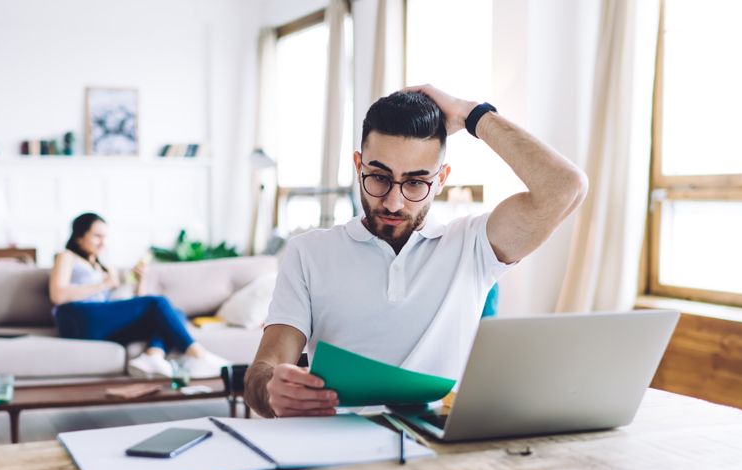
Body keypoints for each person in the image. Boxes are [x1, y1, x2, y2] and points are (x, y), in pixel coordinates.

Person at [244, 86, 588, 418]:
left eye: (415, 183)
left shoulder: (474, 245)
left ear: (441, 179)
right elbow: (263, 371)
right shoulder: (309, 252)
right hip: (341, 448)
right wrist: (272, 390)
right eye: (378, 177)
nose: (393, 202)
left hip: (442, 447)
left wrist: (472, 114)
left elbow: (565, 186)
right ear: (358, 165)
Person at [50, 212, 229, 378]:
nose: (102, 243)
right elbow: (57, 295)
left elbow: (120, 304)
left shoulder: (105, 267)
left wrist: (139, 281)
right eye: (97, 236)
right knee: (157, 302)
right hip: (75, 319)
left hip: (100, 322)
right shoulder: (67, 256)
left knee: (174, 314)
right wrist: (102, 285)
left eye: (105, 237)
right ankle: (199, 355)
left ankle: (153, 356)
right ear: (79, 237)